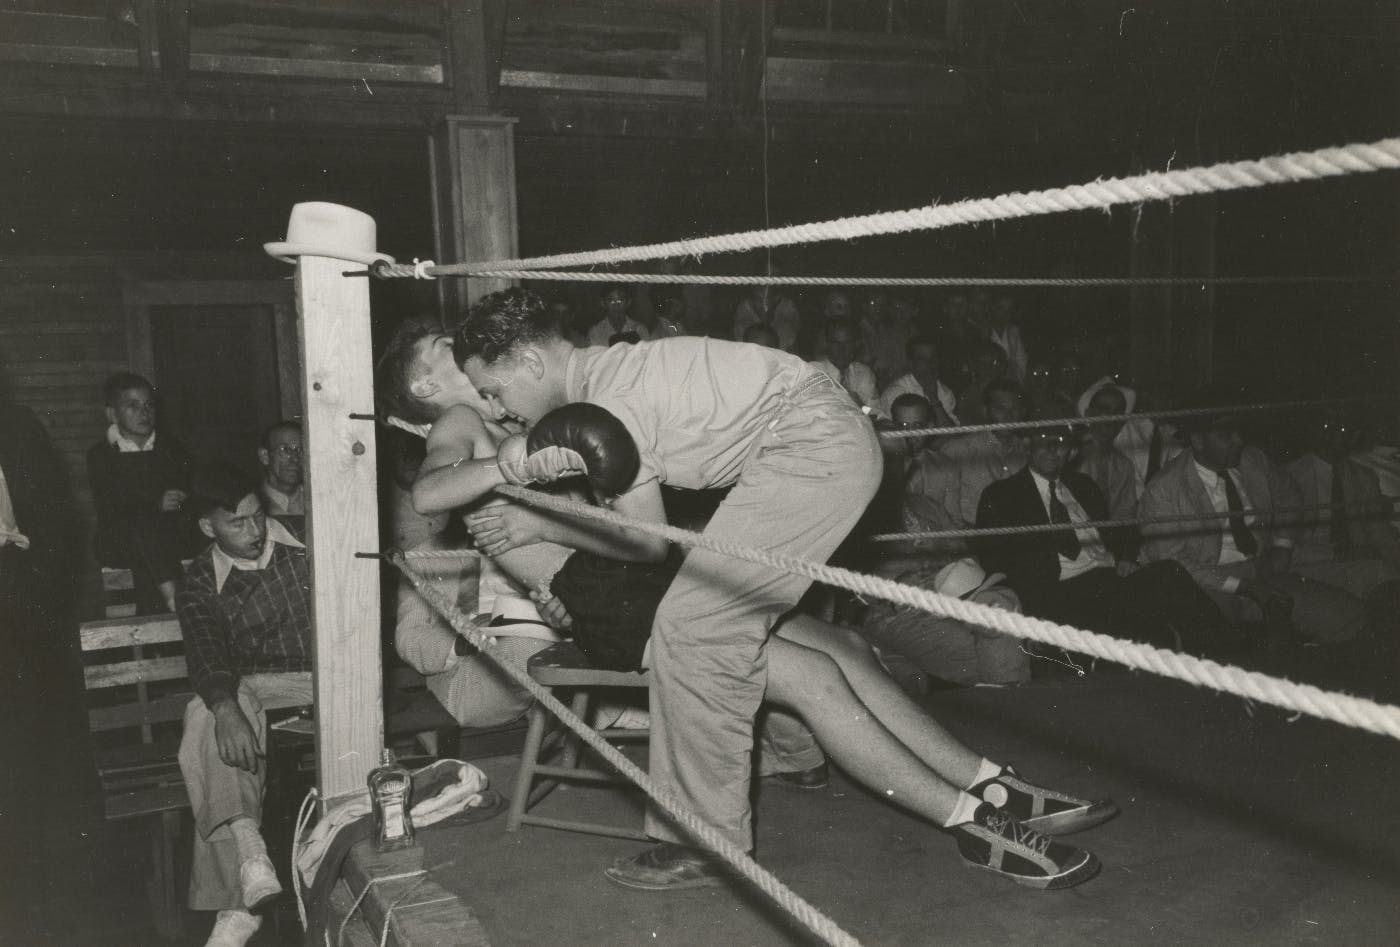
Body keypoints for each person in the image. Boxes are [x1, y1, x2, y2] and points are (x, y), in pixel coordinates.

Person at [509, 402, 1113, 890]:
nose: (495, 405)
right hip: (633, 621)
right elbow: (555, 549)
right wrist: (542, 540)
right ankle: (973, 826)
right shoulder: (482, 459)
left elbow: (629, 536)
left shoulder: (548, 429)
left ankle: (991, 782)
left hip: (665, 587)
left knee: (847, 645)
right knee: (815, 676)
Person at [455, 288, 883, 888]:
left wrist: (535, 516)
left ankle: (707, 845)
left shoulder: (605, 405)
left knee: (693, 629)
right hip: (813, 431)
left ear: (529, 364)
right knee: (718, 630)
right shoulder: (606, 378)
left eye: (496, 392)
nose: (499, 410)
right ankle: (959, 787)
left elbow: (647, 541)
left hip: (809, 440)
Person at [379, 316, 825, 783]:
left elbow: (575, 524)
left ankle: (792, 746)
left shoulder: (518, 418)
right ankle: (794, 749)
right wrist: (513, 465)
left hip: (606, 573)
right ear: (426, 384)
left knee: (773, 630)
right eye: (442, 344)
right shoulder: (459, 421)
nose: (459, 343)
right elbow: (428, 493)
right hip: (598, 589)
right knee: (766, 644)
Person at [175, 466, 313, 947]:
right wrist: (226, 707)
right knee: (207, 712)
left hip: (324, 677)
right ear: (208, 527)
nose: (254, 531)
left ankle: (238, 905)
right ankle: (250, 852)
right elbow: (206, 650)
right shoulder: (199, 581)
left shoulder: (306, 541)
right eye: (237, 523)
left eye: (257, 517)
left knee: (209, 712)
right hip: (257, 687)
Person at [975, 419, 1240, 658]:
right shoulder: (1001, 495)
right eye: (1042, 442)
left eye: (1060, 443)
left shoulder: (1084, 487)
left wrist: (1125, 557)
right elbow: (996, 559)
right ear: (1028, 447)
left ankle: (1224, 663)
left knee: (1168, 573)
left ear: (1072, 453)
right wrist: (1030, 610)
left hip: (1107, 580)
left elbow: (1117, 534)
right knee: (1144, 629)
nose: (1051, 449)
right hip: (1059, 591)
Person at [1140, 403, 1374, 646]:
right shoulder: (1165, 489)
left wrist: (1282, 546)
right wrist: (1244, 587)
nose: (1238, 440)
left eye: (1239, 432)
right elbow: (1172, 563)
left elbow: (1290, 495)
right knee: (1219, 648)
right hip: (1209, 583)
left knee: (1349, 617)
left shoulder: (1253, 461)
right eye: (1226, 435)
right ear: (1198, 441)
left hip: (1263, 569)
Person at [86, 371, 197, 613]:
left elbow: (187, 496)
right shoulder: (100, 456)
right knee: (143, 525)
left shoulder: (175, 450)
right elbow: (110, 505)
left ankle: (157, 633)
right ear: (112, 414)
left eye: (149, 405)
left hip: (170, 536)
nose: (144, 413)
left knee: (150, 544)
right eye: (132, 406)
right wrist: (156, 504)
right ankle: (174, 602)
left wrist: (178, 502)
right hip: (119, 539)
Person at [940, 378, 1030, 527]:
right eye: (1000, 409)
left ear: (1023, 412)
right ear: (985, 411)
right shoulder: (959, 450)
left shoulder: (1028, 454)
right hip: (970, 537)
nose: (1008, 416)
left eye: (1015, 409)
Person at [1073, 386, 1143, 524]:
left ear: (1123, 421)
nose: (1111, 416)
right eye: (1104, 409)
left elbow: (1125, 515)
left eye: (1117, 411)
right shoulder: (1072, 455)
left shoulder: (1124, 465)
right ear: (1089, 414)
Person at [877, 335, 958, 423]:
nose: (930, 364)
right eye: (922, 360)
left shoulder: (945, 392)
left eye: (933, 359)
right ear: (910, 363)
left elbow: (949, 433)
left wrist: (934, 399)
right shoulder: (895, 392)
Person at [809, 319, 879, 412]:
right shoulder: (813, 371)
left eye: (848, 343)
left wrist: (860, 406)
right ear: (827, 344)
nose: (842, 349)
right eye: (836, 343)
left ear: (856, 344)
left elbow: (875, 413)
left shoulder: (863, 373)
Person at [732, 283, 801, 353]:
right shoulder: (743, 315)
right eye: (758, 299)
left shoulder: (787, 311)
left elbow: (793, 350)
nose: (763, 304)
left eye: (768, 298)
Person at [256, 420, 304, 516]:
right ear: (265, 456)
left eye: (299, 451)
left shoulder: (319, 499)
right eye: (284, 450)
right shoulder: (254, 506)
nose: (295, 458)